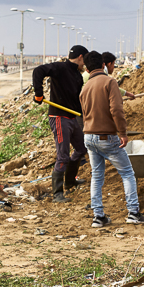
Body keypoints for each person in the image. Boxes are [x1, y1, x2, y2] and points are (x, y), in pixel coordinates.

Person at [80, 51, 144, 227]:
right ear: (103, 65)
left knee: (97, 176)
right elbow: (117, 110)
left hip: (88, 137)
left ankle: (99, 217)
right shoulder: (109, 82)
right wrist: (123, 133)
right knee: (127, 173)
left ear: (87, 68)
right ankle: (133, 213)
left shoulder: (85, 87)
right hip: (107, 136)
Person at [32, 45, 87, 202]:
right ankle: (57, 193)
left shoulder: (77, 75)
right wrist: (38, 93)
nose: (84, 65)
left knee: (81, 147)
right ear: (81, 57)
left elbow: (76, 99)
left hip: (71, 117)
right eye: (84, 61)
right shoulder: (60, 67)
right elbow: (38, 71)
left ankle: (70, 181)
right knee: (62, 156)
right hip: (59, 117)